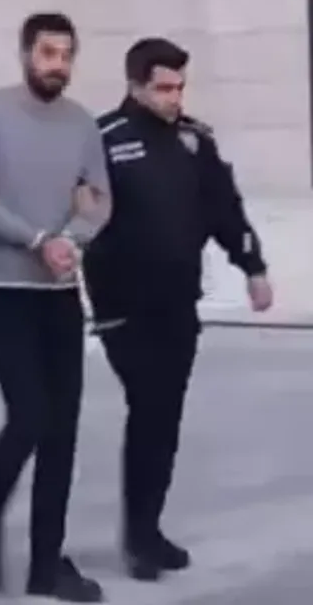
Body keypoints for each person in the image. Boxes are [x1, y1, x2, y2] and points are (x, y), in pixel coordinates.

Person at [83, 38, 272, 581]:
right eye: (163, 88)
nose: (173, 98)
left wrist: (253, 266)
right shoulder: (103, 140)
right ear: (135, 85)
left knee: (163, 415)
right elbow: (80, 216)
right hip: (124, 305)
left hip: (177, 302)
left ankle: (147, 529)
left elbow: (225, 208)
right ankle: (139, 539)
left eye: (179, 87)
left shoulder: (195, 140)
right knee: (150, 405)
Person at [0, 12, 111, 603]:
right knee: (31, 414)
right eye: (47, 53)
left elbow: (98, 199)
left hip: (59, 290)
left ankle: (47, 564)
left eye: (66, 55)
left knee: (62, 429)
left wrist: (72, 240)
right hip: (1, 288)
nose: (57, 65)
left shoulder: (82, 123)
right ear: (25, 54)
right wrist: (36, 240)